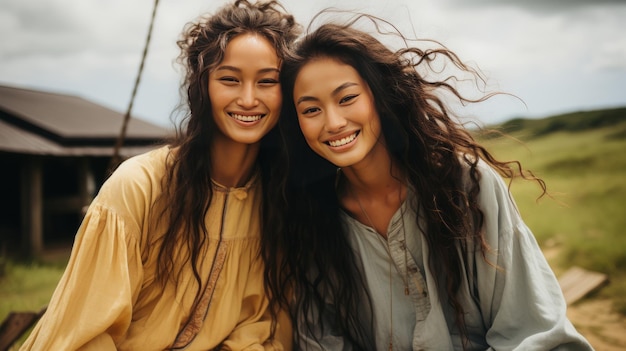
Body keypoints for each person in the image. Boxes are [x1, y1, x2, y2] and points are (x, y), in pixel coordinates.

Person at [262, 13, 594, 351]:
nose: (333, 122)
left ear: (380, 95)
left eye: (347, 98)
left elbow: (536, 332)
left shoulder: (465, 185)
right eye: (311, 110)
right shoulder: (310, 220)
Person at [20, 1, 300, 350]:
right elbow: (86, 334)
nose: (247, 98)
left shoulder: (278, 202)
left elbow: (264, 329)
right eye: (229, 79)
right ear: (202, 86)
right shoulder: (138, 187)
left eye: (267, 82)